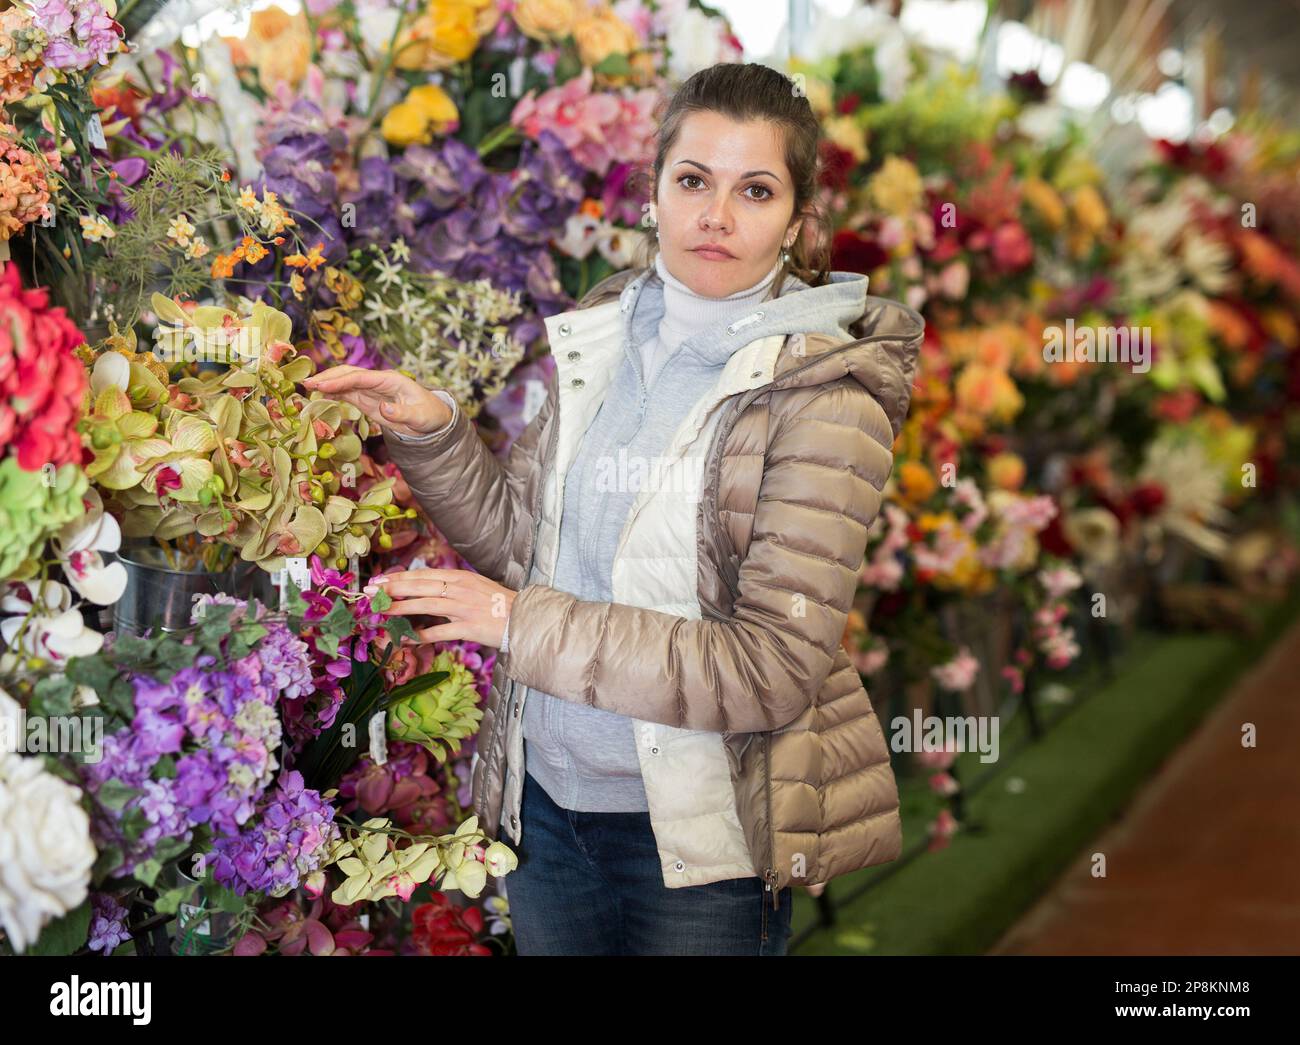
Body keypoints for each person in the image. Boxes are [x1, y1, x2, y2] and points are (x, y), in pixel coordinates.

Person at [304, 61, 924, 956]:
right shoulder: (602, 327)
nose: (716, 216)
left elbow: (771, 668)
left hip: (696, 847)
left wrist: (517, 622)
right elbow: (527, 551)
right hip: (546, 815)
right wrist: (436, 433)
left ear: (797, 220)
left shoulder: (827, 395)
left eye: (755, 190)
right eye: (693, 181)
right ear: (653, 193)